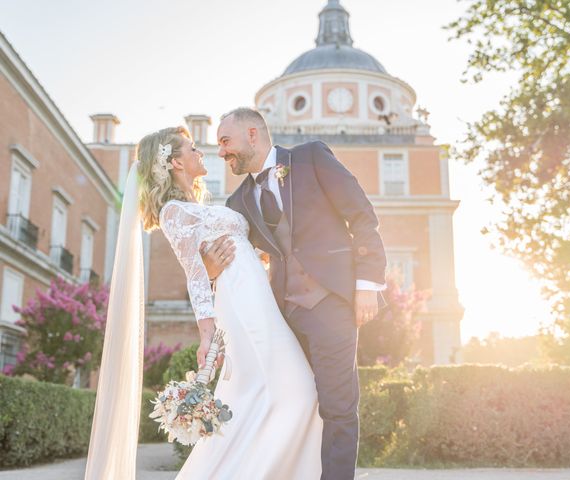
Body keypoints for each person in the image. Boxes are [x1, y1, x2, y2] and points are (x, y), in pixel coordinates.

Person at [84, 126, 322, 480]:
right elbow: (195, 274)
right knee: (298, 390)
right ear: (176, 162)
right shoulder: (174, 212)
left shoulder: (197, 207)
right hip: (242, 305)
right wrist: (207, 334)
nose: (201, 153)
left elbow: (229, 252)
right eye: (192, 148)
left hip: (257, 296)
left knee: (261, 394)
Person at [202, 108, 387, 480]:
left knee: (337, 407)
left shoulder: (311, 157)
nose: (221, 152)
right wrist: (210, 271)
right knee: (292, 404)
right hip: (282, 318)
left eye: (226, 141)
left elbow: (362, 215)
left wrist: (367, 284)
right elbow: (239, 265)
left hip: (333, 304)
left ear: (253, 134)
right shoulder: (237, 204)